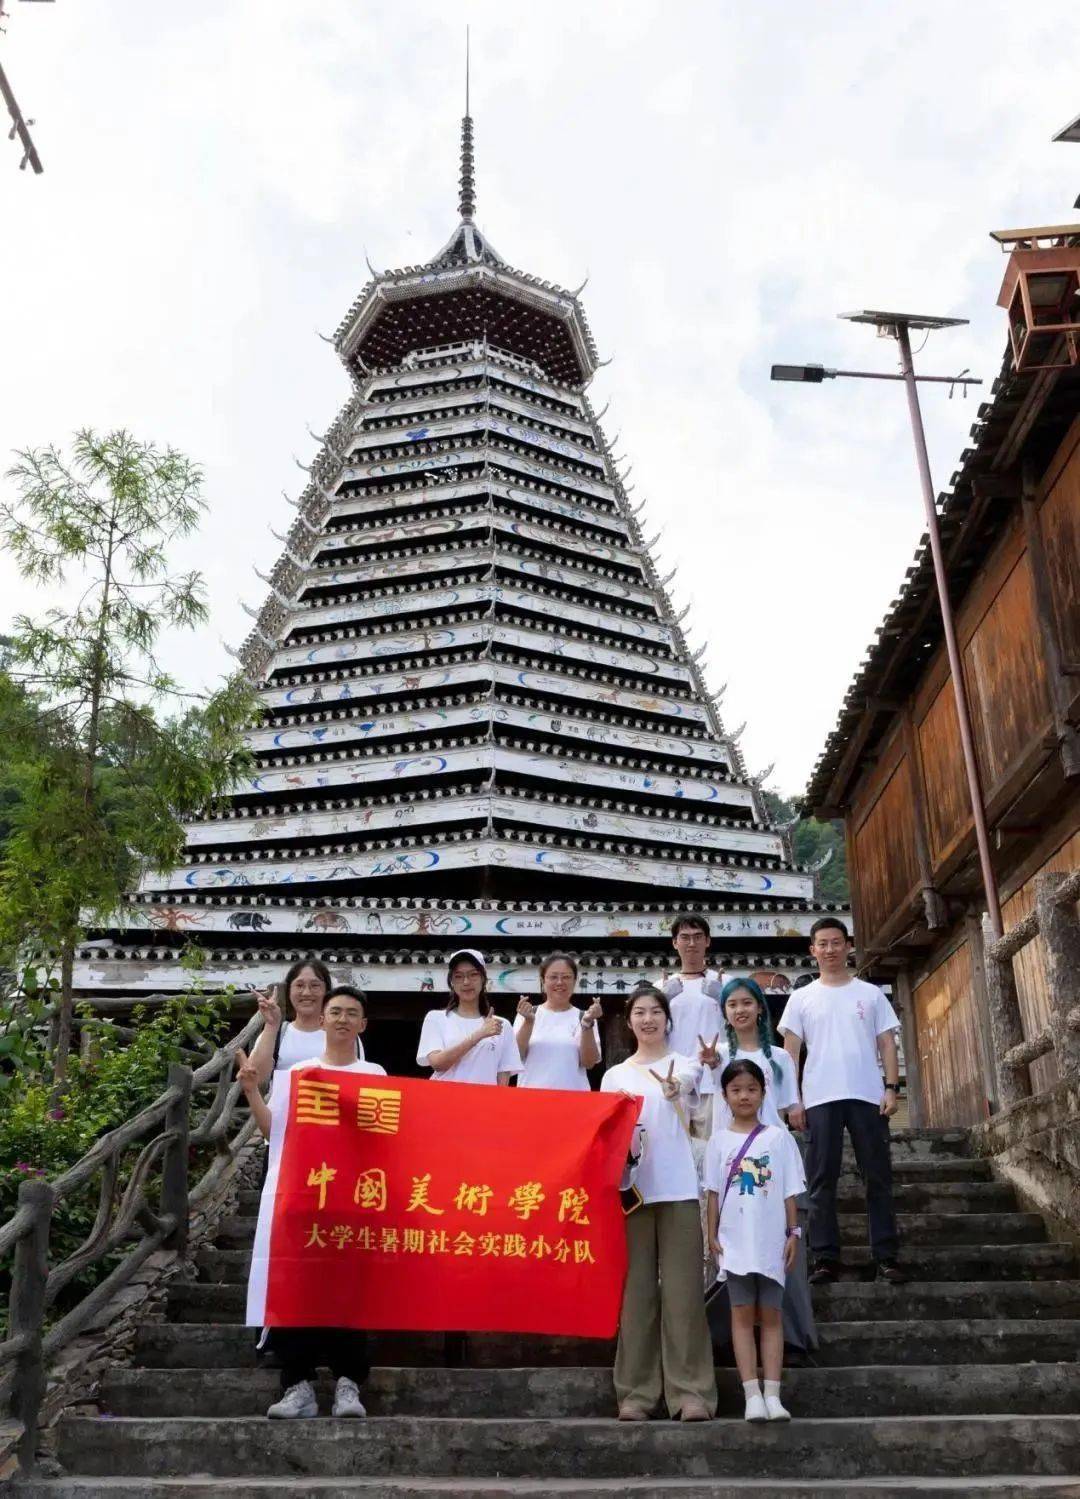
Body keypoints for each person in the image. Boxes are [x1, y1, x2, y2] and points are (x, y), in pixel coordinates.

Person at [236, 984, 382, 1419]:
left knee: (349, 1295)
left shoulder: (375, 1076)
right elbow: (272, 1134)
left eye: (350, 1013)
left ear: (362, 1024)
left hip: (353, 1205)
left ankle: (348, 1384)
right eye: (335, 1011)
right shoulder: (300, 1076)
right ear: (321, 1020)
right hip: (303, 1204)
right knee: (295, 1289)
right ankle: (296, 1386)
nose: (341, 1019)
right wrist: (252, 1093)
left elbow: (388, 1144)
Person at [600, 982, 716, 1423]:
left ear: (668, 1019)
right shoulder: (614, 1076)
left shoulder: (684, 1064)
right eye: (639, 1012)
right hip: (631, 1194)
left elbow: (685, 1085)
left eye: (655, 1012)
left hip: (680, 1189)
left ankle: (691, 1394)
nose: (647, 1019)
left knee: (685, 1293)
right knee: (637, 1295)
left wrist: (673, 1089)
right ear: (628, 1021)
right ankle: (636, 1394)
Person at [779, 917, 906, 1285]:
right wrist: (793, 1101)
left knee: (878, 1177)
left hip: (867, 1095)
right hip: (819, 1098)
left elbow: (886, 1042)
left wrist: (891, 1088)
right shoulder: (801, 998)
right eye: (823, 943)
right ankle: (824, 1258)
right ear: (813, 950)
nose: (830, 949)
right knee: (821, 1181)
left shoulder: (870, 994)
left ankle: (886, 1256)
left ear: (848, 946)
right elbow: (792, 1051)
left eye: (837, 942)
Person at [705, 1059, 806, 1422]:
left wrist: (793, 1232)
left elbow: (789, 1191)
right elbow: (713, 1194)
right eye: (736, 1090)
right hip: (735, 1242)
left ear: (763, 1093)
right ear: (725, 1096)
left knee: (772, 1315)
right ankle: (751, 1393)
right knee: (741, 1315)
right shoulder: (718, 1142)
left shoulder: (778, 1139)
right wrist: (711, 1234)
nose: (744, 1096)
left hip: (770, 1242)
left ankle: (774, 1393)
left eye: (751, 1089)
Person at [247, 960, 364, 1100]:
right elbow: (256, 1080)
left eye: (315, 986)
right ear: (289, 991)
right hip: (284, 1119)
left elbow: (359, 1083)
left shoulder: (346, 1035)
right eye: (299, 985)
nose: (307, 992)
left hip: (332, 1118)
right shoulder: (277, 1033)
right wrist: (271, 1025)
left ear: (327, 991)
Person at [416, 949, 520, 1084]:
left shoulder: (501, 1025)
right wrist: (478, 1035)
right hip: (444, 1100)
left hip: (483, 1102)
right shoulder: (436, 1018)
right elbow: (437, 1064)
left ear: (483, 979)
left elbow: (503, 1075)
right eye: (458, 976)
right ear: (451, 982)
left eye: (473, 975)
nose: (466, 982)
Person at [514, 951, 603, 1089]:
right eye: (553, 977)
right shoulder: (527, 1014)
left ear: (575, 981)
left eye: (566, 977)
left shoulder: (584, 1016)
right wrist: (529, 1022)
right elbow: (515, 1056)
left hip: (572, 1101)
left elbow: (589, 1063)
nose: (560, 982)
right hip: (531, 1099)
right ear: (543, 981)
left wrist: (587, 1024)